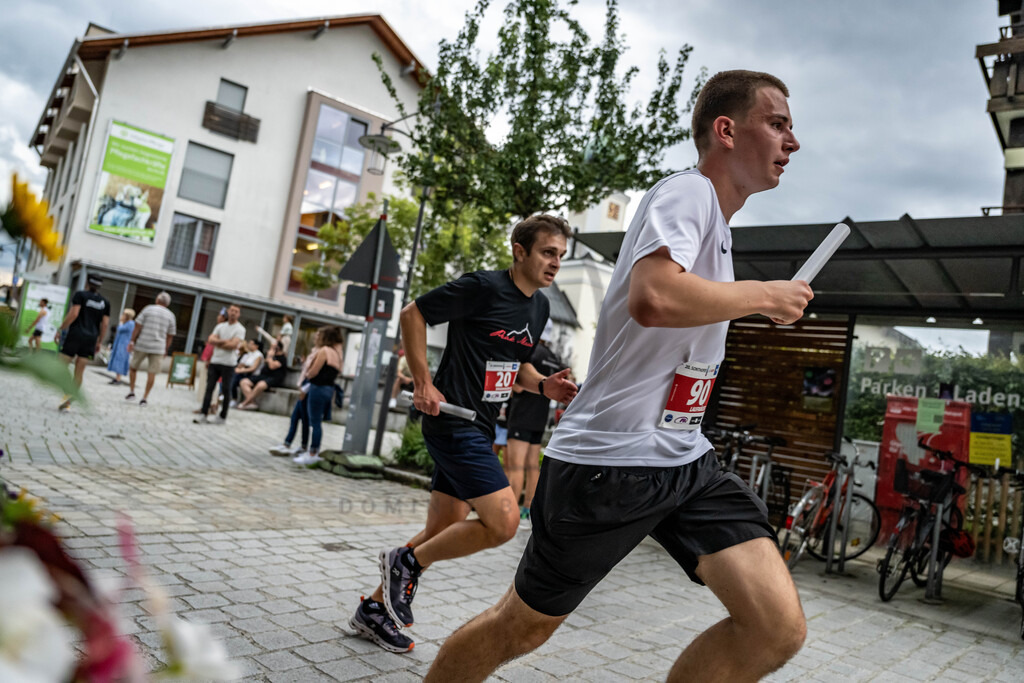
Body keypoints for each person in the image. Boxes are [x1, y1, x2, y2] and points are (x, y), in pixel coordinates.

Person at [426, 70, 813, 682]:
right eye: (778, 124)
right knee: (521, 627)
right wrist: (764, 295)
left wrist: (750, 299)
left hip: (684, 458)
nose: (793, 142)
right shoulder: (687, 194)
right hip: (611, 463)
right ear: (726, 131)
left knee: (775, 626)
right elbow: (653, 298)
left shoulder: (717, 226)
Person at [348, 214, 578, 653]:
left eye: (561, 256)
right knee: (505, 522)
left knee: (444, 527)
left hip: (482, 423)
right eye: (548, 253)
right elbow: (413, 314)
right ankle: (404, 561)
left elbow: (516, 366)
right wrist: (421, 381)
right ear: (520, 250)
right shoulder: (483, 287)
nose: (555, 264)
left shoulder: (540, 307)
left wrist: (543, 386)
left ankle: (374, 611)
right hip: (452, 419)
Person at [503, 319, 568, 524]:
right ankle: (526, 509)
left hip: (521, 416)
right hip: (539, 419)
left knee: (515, 466)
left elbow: (518, 386)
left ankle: (509, 511)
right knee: (532, 466)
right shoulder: (554, 358)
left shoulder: (529, 353)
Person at [57, 274, 110, 411]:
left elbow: (74, 314)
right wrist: (99, 341)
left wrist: (61, 328)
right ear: (99, 286)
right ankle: (69, 399)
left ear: (87, 283)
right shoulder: (105, 302)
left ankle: (67, 392)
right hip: (91, 338)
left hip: (75, 335)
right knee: (79, 371)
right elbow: (104, 324)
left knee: (61, 365)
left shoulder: (80, 295)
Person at [293, 326, 344, 465]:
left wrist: (307, 375)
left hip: (317, 388)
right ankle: (313, 450)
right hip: (329, 389)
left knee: (314, 422)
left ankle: (312, 452)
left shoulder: (324, 351)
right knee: (317, 422)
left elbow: (314, 371)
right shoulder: (337, 353)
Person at [268, 331, 324, 460]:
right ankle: (296, 445)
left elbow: (314, 373)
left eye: (317, 336)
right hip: (304, 385)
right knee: (299, 418)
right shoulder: (315, 350)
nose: (315, 338)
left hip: (308, 387)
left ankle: (294, 446)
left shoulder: (321, 352)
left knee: (302, 418)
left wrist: (304, 389)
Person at [194, 304, 245, 424]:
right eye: (231, 310)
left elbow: (233, 345)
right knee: (209, 388)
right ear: (228, 311)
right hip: (215, 361)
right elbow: (211, 339)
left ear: (239, 314)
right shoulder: (220, 326)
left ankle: (222, 416)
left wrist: (219, 342)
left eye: (236, 311)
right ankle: (203, 413)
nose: (233, 313)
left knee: (226, 390)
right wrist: (225, 341)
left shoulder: (240, 329)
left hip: (229, 363)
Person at [126, 292, 177, 406]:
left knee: (133, 367)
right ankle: (144, 398)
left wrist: (132, 341)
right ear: (167, 304)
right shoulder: (171, 315)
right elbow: (170, 335)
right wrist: (165, 349)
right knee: (152, 373)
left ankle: (132, 391)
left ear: (157, 300)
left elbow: (137, 326)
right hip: (158, 347)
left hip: (142, 343)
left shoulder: (148, 309)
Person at [237, 340, 287, 410]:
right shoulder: (271, 356)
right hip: (263, 376)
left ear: (277, 348)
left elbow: (272, 366)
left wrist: (269, 357)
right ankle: (252, 403)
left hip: (274, 378)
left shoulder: (282, 358)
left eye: (272, 347)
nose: (270, 349)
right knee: (244, 382)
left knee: (261, 385)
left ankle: (245, 402)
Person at [192, 310, 226, 414]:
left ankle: (209, 405)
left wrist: (210, 359)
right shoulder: (219, 328)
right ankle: (209, 405)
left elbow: (216, 345)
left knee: (209, 384)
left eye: (220, 315)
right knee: (208, 384)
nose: (218, 316)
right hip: (210, 358)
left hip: (212, 360)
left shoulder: (222, 329)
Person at [228, 339, 264, 406]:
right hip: (243, 373)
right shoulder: (248, 354)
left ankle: (246, 401)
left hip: (253, 375)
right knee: (232, 376)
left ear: (256, 346)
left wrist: (240, 370)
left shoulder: (258, 355)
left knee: (237, 378)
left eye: (251, 344)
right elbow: (241, 364)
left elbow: (253, 368)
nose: (249, 345)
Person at [106, 308, 135, 384]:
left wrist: (121, 322)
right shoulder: (126, 323)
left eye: (124, 314)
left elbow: (120, 329)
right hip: (119, 344)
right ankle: (117, 377)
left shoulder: (130, 323)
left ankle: (118, 378)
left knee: (120, 360)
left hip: (123, 345)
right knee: (117, 359)